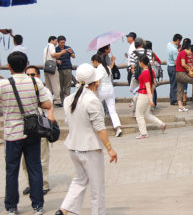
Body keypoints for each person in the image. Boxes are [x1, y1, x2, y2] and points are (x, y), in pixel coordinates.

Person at [55, 63, 118, 215]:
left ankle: (63, 209)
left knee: (79, 180)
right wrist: (110, 148)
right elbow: (99, 128)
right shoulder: (92, 100)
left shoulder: (69, 99)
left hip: (73, 146)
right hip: (90, 149)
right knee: (97, 187)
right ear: (96, 82)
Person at [0, 52, 54, 215]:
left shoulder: (3, 85)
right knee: (35, 168)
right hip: (32, 132)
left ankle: (11, 206)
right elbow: (47, 103)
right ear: (26, 65)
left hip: (12, 133)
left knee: (11, 171)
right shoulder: (34, 82)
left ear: (9, 66)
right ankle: (37, 205)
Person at [21, 66, 54, 197]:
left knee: (43, 157)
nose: (30, 77)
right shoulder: (21, 90)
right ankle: (31, 183)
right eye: (27, 75)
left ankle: (44, 183)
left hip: (39, 126)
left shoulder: (43, 90)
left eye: (33, 74)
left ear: (38, 76)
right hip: (24, 127)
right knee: (25, 159)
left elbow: (49, 106)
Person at [135, 56, 166, 139]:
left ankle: (144, 133)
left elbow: (148, 86)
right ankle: (161, 124)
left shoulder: (145, 73)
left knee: (139, 115)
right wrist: (151, 96)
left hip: (143, 94)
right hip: (147, 94)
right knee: (146, 114)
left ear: (141, 62)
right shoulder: (151, 71)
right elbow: (154, 83)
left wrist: (150, 98)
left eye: (139, 61)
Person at [91, 54, 122, 137]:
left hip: (102, 90)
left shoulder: (98, 69)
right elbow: (111, 67)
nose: (92, 64)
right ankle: (118, 128)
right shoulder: (107, 68)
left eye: (92, 62)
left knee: (97, 109)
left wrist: (93, 90)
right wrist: (113, 60)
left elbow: (97, 82)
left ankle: (98, 128)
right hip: (110, 90)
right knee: (112, 111)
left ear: (95, 61)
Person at [44, 36, 65, 107]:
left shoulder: (46, 47)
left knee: (48, 85)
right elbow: (53, 54)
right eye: (56, 41)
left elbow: (49, 57)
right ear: (52, 40)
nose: (56, 43)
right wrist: (62, 52)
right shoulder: (51, 46)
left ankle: (48, 99)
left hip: (46, 67)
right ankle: (57, 100)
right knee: (56, 84)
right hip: (52, 68)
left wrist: (56, 60)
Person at [56, 35, 76, 103]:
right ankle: (62, 101)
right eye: (61, 42)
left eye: (64, 42)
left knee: (68, 85)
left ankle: (67, 101)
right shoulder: (56, 49)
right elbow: (54, 57)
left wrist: (71, 52)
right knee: (60, 86)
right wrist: (61, 53)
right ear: (58, 42)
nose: (63, 44)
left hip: (68, 68)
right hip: (59, 69)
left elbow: (74, 56)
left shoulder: (68, 48)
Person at [167, 34, 183, 105]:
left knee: (172, 83)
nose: (180, 43)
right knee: (174, 84)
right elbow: (176, 62)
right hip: (173, 67)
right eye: (179, 41)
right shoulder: (174, 50)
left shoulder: (168, 44)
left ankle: (172, 98)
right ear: (177, 40)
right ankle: (173, 100)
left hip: (168, 66)